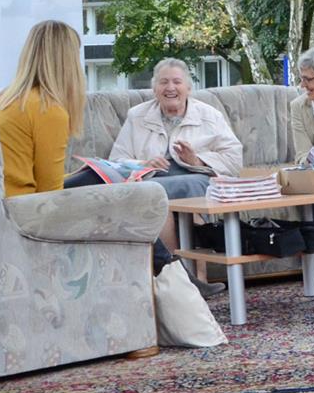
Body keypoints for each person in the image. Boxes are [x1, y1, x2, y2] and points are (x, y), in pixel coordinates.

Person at [94, 58, 244, 266]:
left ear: (189, 88)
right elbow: (116, 161)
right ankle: (187, 277)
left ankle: (181, 277)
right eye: (163, 82)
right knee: (158, 199)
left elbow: (234, 160)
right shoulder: (137, 116)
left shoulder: (209, 116)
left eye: (177, 82)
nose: (170, 88)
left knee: (158, 193)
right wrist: (144, 164)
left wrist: (197, 160)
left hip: (197, 180)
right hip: (153, 181)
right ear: (154, 88)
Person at [0, 20, 86, 197]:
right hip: (22, 211)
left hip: (0, 202)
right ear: (69, 61)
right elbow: (50, 194)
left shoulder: (1, 100)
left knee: (87, 176)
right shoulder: (47, 110)